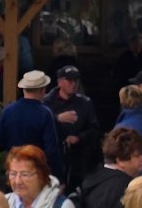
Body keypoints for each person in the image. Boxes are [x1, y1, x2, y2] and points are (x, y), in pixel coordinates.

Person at [0, 71, 62, 176]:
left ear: (24, 89)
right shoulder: (45, 113)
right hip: (36, 170)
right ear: (42, 90)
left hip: (14, 170)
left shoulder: (8, 111)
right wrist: (58, 176)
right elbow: (51, 150)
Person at [43, 65, 101, 193]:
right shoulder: (46, 102)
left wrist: (79, 138)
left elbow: (95, 129)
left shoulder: (85, 103)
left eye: (76, 80)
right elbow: (38, 126)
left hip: (78, 161)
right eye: (69, 80)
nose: (74, 84)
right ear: (59, 82)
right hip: (52, 159)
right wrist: (57, 118)